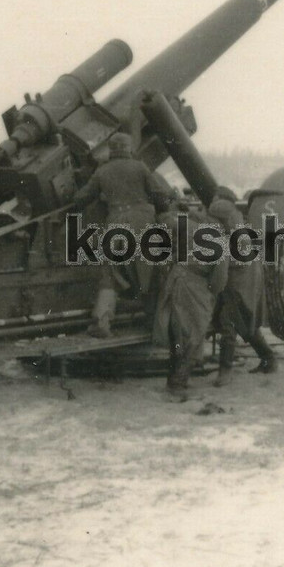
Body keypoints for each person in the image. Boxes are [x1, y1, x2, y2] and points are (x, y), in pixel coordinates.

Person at [73, 132, 173, 338]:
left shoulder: (103, 170)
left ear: (111, 149)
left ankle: (102, 322)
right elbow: (159, 194)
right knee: (150, 270)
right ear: (129, 148)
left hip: (116, 223)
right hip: (143, 222)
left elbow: (82, 198)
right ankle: (151, 321)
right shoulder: (140, 167)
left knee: (110, 273)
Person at [152, 207, 228, 401]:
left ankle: (172, 380)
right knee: (193, 335)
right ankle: (178, 385)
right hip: (195, 287)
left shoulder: (188, 227)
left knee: (177, 333)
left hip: (176, 280)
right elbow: (219, 279)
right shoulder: (219, 239)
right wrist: (210, 292)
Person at [208, 186, 276, 386]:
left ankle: (225, 372)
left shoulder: (221, 209)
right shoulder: (236, 217)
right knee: (246, 319)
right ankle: (269, 359)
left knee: (229, 322)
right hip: (249, 276)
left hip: (238, 279)